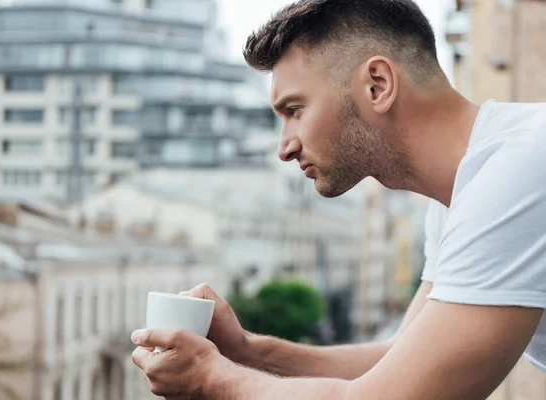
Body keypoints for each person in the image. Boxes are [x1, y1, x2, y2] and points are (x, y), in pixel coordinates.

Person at [130, 0, 546, 398]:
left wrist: (210, 379)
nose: (285, 147)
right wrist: (243, 352)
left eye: (295, 109)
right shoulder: (460, 193)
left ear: (376, 85)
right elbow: (397, 360)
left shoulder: (516, 170)